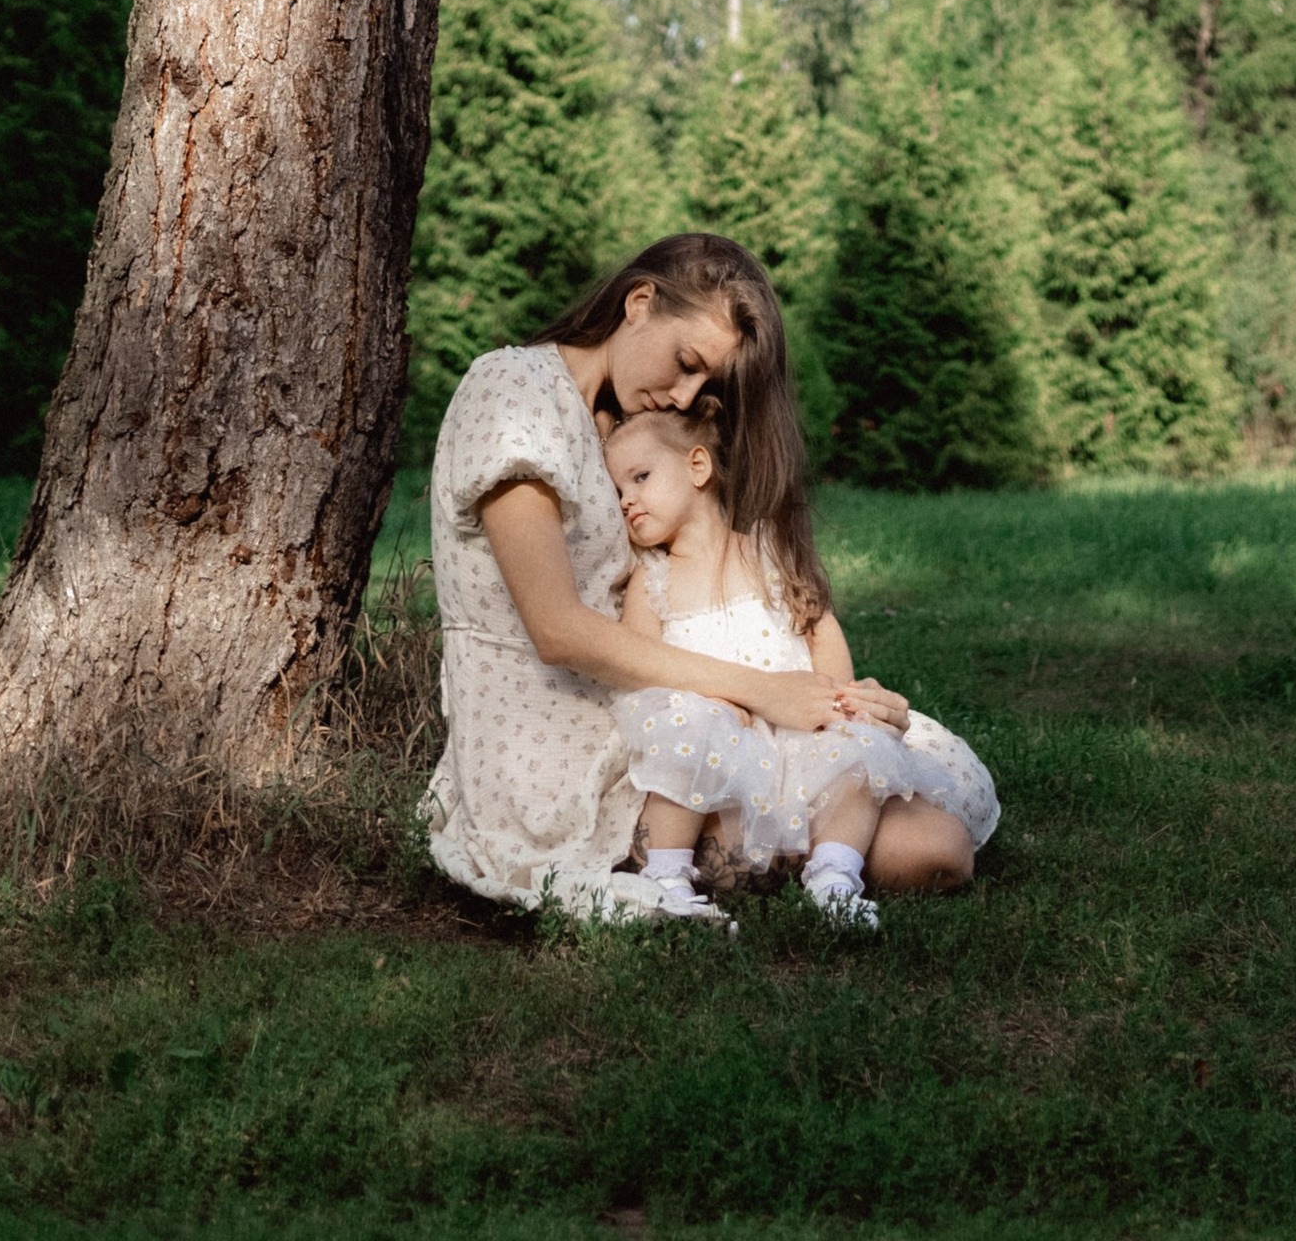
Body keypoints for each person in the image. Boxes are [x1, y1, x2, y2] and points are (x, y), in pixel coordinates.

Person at [425, 232, 976, 921]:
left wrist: (836, 700)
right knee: (911, 845)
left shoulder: (625, 426)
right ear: (640, 302)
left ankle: (822, 818)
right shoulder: (514, 391)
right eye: (685, 362)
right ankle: (778, 847)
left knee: (936, 835)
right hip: (560, 749)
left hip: (667, 711)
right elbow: (557, 630)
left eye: (704, 385)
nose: (683, 395)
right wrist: (763, 692)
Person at [605, 398, 998, 930]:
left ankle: (835, 878)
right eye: (618, 490)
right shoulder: (650, 582)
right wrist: (718, 700)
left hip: (800, 748)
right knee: (689, 727)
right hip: (716, 771)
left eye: (641, 477)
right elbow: (641, 669)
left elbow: (825, 656)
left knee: (864, 749)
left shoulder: (771, 555)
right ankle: (665, 879)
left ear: (698, 466)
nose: (628, 501)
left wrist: (844, 707)